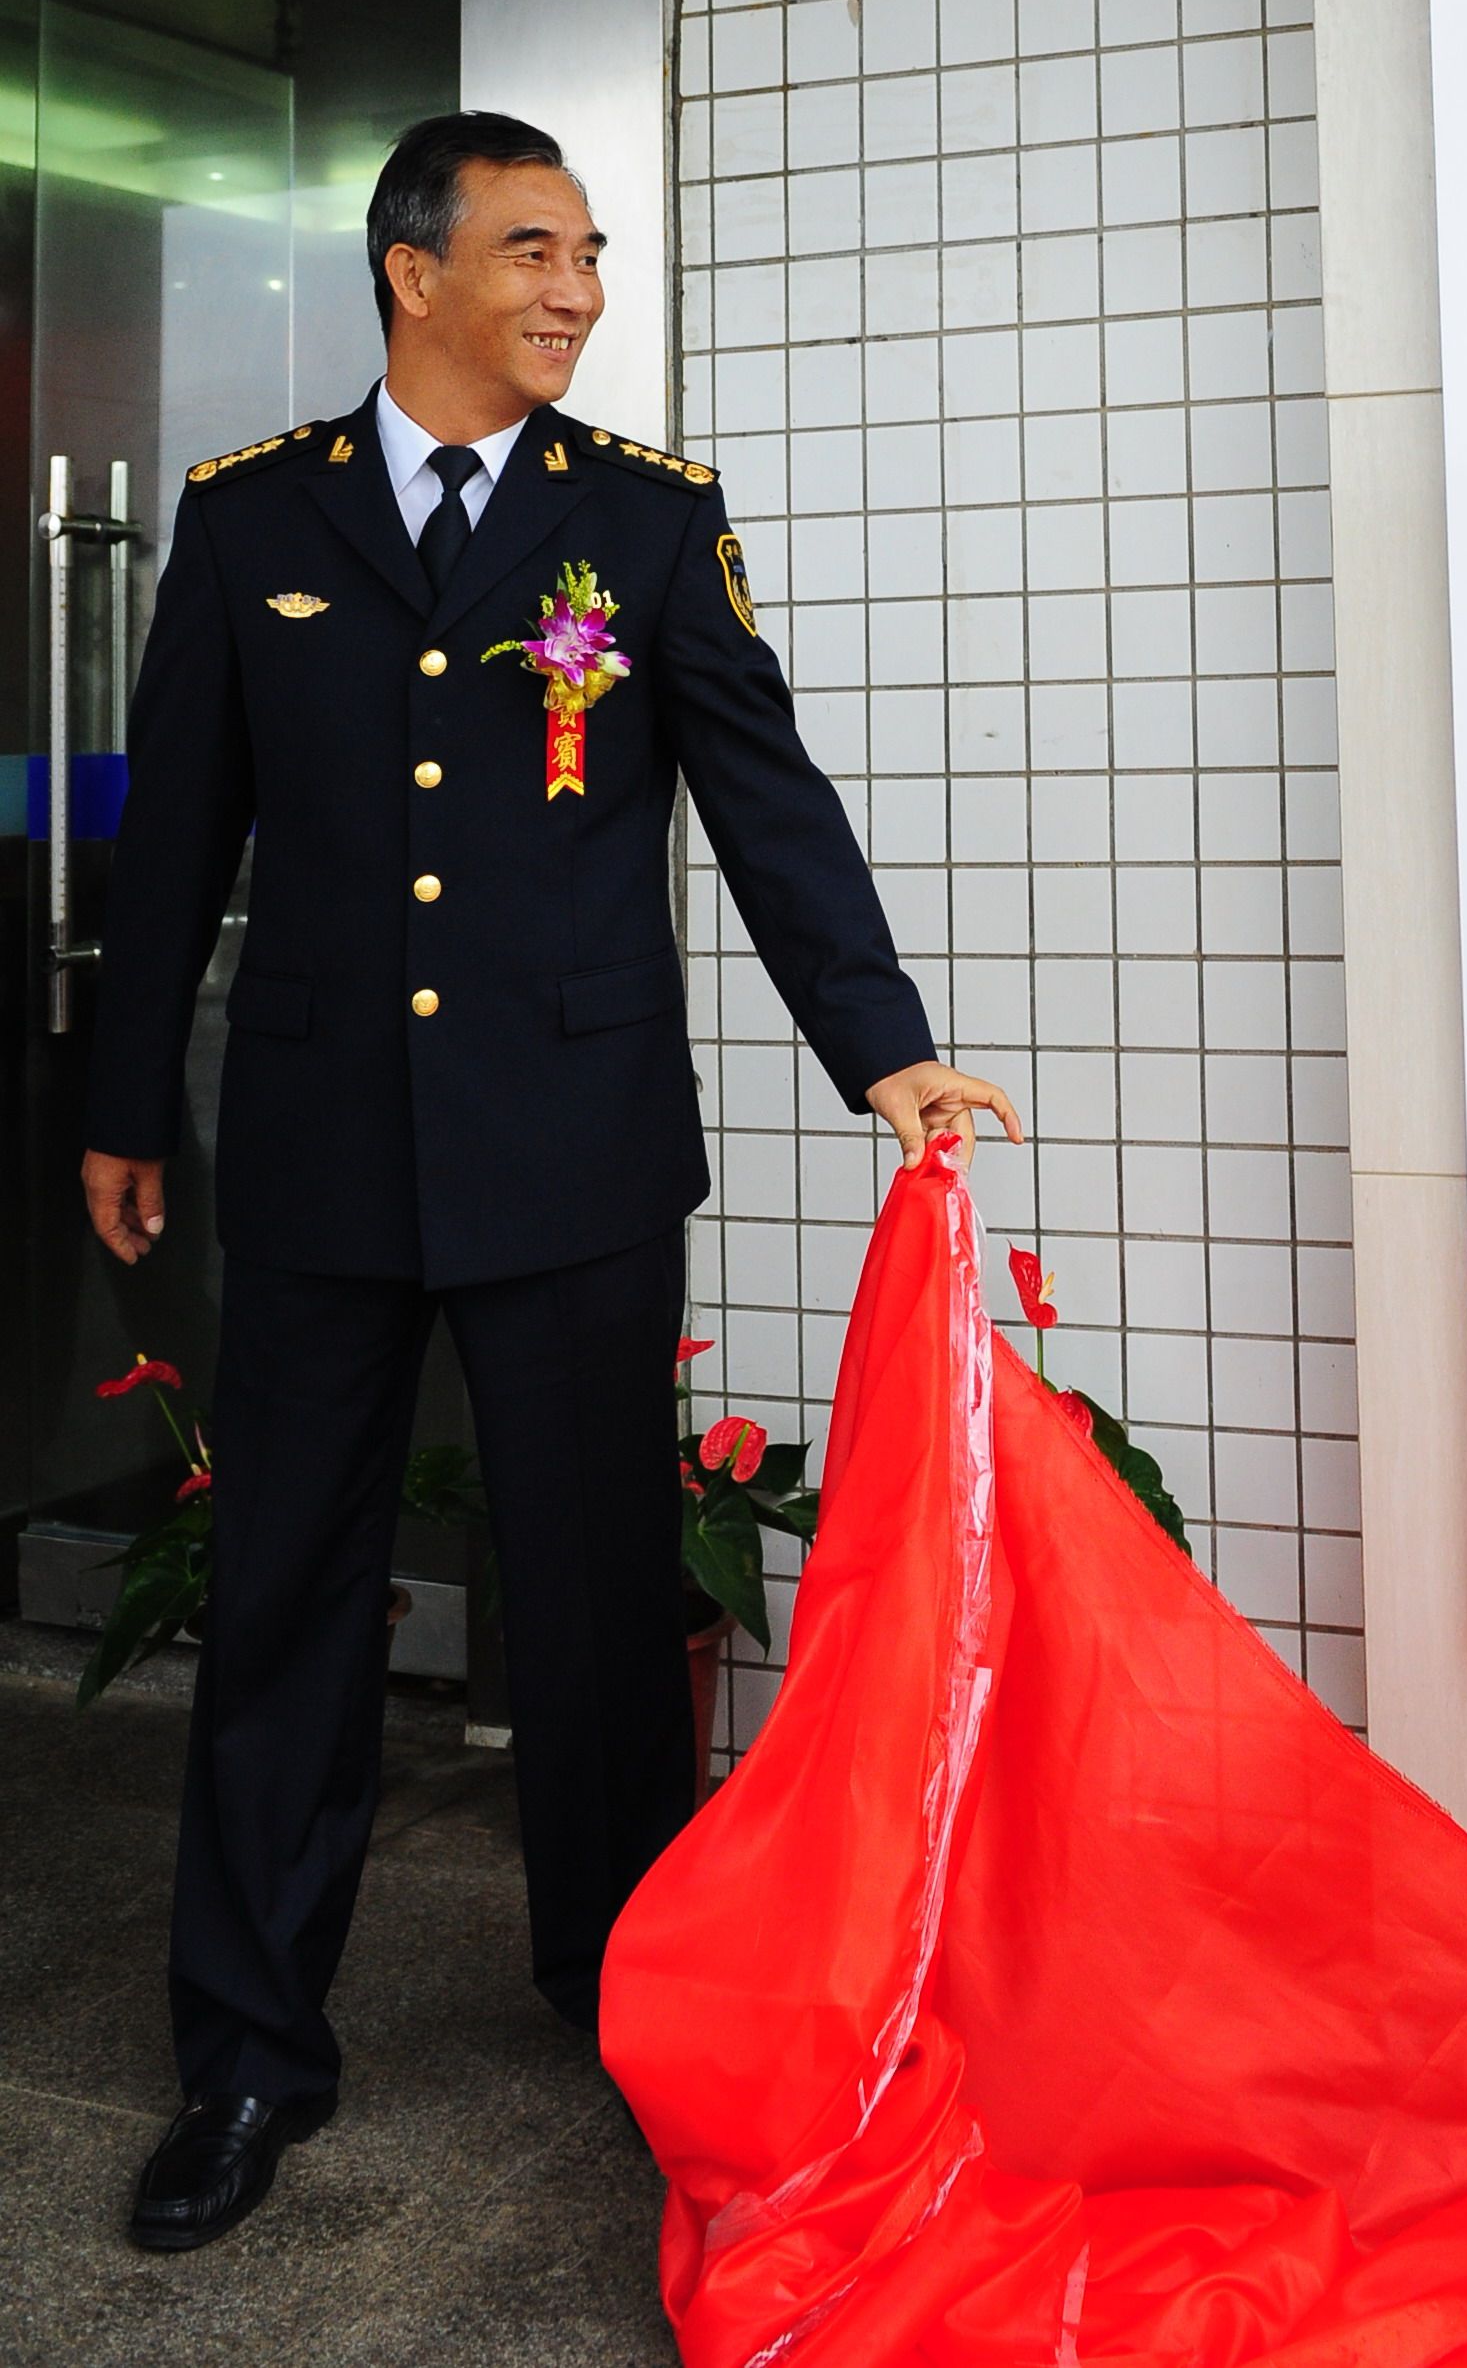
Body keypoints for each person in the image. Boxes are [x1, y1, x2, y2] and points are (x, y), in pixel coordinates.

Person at [81, 108, 1018, 2254]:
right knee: (285, 1597)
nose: (577, 290)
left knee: (596, 1605)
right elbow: (176, 842)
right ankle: (245, 2053)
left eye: (589, 254)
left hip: (576, 1153)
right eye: (532, 250)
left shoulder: (646, 524)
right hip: (321, 1148)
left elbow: (769, 803)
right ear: (412, 272)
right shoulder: (251, 524)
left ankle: (630, 2015)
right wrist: (128, 1105)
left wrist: (881, 1046)